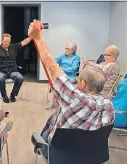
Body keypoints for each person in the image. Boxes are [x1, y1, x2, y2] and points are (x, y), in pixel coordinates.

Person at [28, 20, 115, 158]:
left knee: (51, 124)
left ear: (83, 85)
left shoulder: (75, 98)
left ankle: (43, 143)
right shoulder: (110, 106)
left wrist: (38, 38)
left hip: (62, 155)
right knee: (53, 118)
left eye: (80, 79)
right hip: (92, 155)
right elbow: (54, 62)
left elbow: (52, 66)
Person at [0, 33, 33, 103]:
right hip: (1, 71)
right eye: (5, 41)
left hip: (13, 71)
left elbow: (24, 42)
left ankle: (13, 94)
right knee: (0, 79)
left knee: (20, 78)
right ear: (2, 41)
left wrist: (32, 37)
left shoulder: (14, 47)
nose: (7, 43)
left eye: (8, 41)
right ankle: (4, 96)